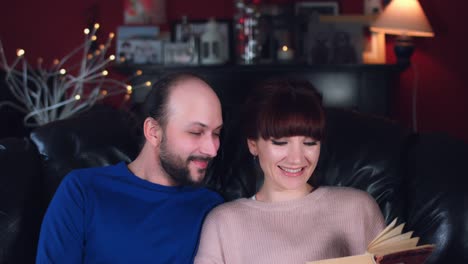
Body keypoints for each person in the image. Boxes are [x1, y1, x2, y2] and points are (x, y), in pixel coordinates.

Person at [36, 73, 224, 263]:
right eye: (196, 132)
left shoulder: (212, 209)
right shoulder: (83, 191)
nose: (212, 149)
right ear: (153, 132)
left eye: (216, 133)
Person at [194, 78, 385, 264]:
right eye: (280, 143)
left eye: (310, 143)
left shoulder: (358, 208)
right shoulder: (224, 223)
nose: (297, 159)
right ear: (253, 145)